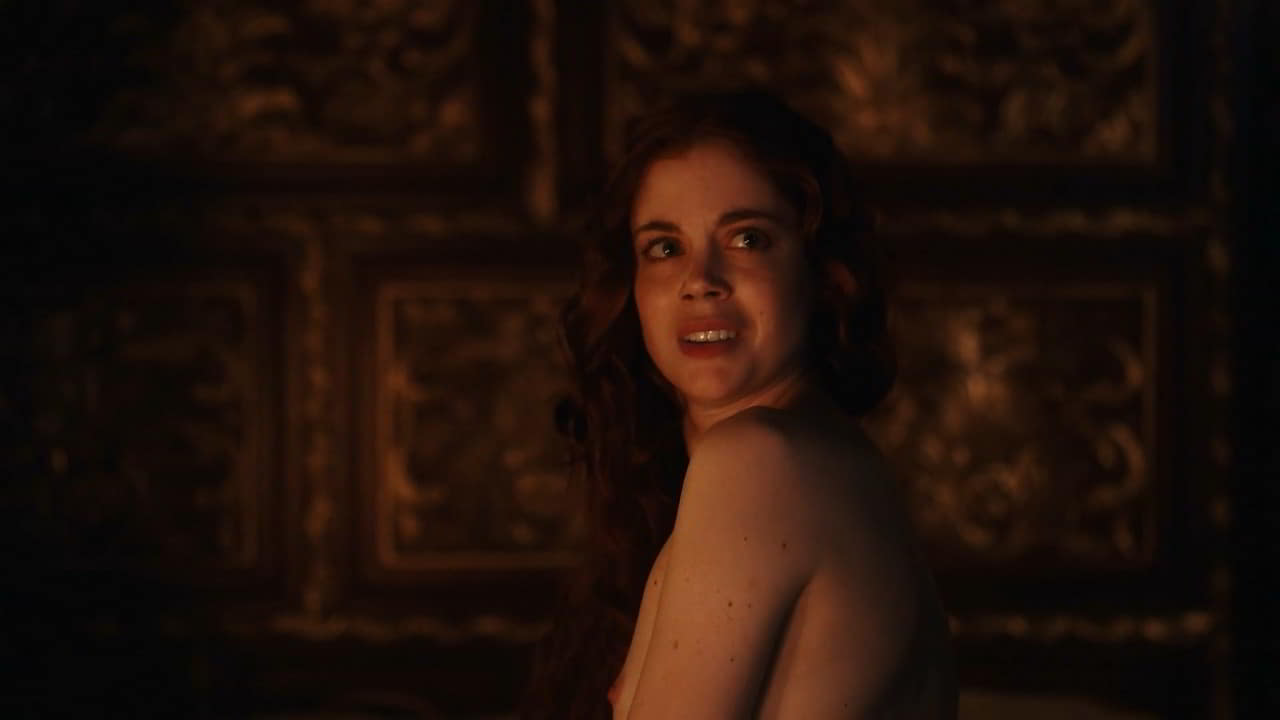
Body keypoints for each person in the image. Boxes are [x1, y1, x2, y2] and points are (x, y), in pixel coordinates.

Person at [519, 89, 957, 719]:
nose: (700, 280)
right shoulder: (815, 459)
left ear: (819, 271)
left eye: (747, 238)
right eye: (664, 248)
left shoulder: (760, 461)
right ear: (631, 288)